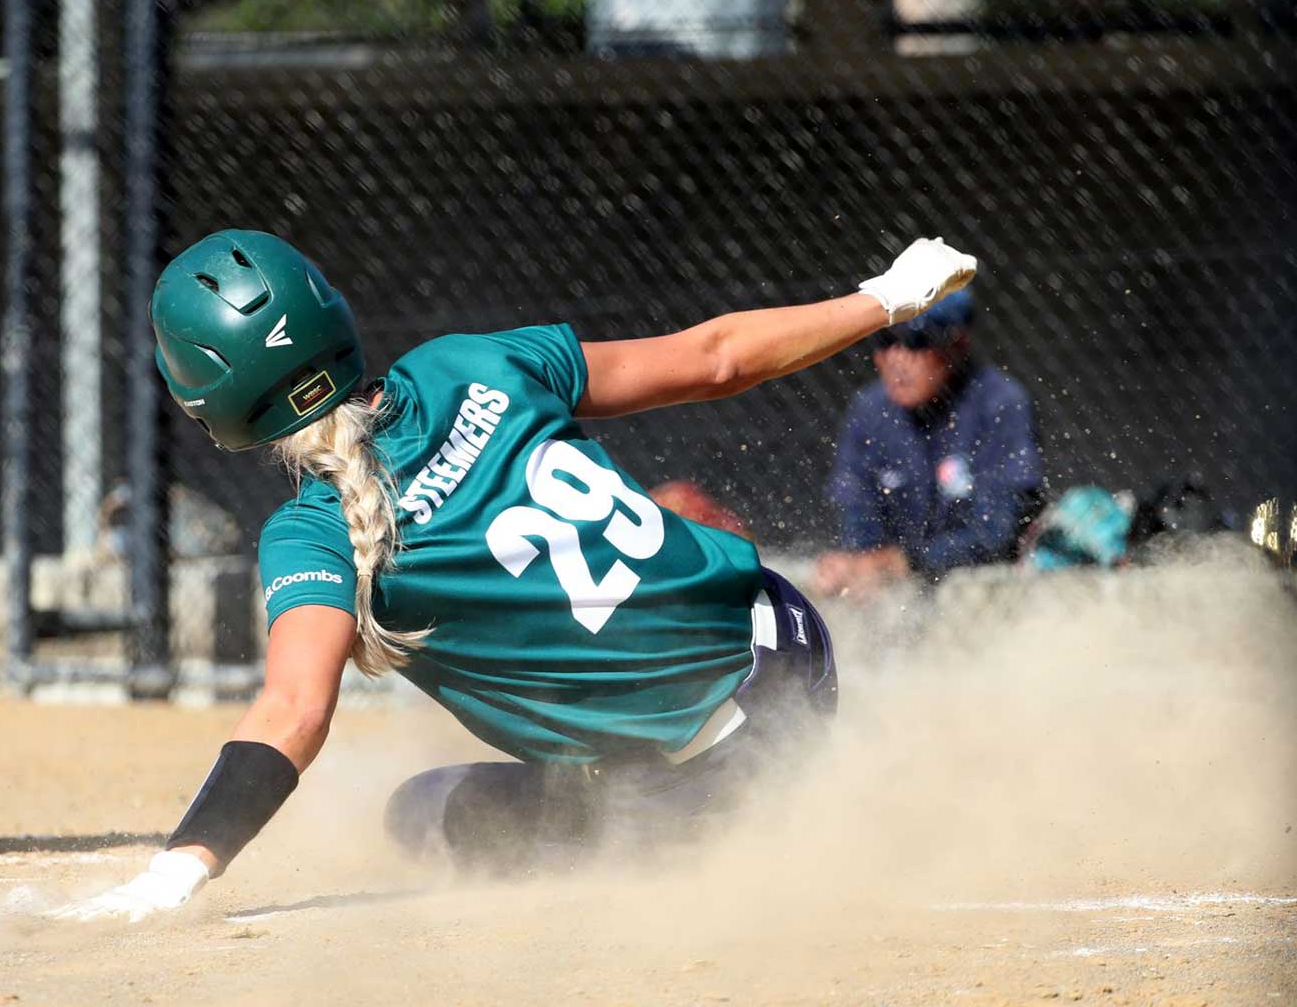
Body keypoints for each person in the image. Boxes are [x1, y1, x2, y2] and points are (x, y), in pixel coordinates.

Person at [59, 229, 977, 921]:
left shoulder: (312, 534)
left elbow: (294, 713)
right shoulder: (467, 360)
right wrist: (886, 296)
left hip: (696, 786)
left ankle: (755, 825)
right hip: (793, 652)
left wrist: (179, 865)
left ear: (209, 399)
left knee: (422, 813)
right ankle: (861, 785)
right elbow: (716, 359)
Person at [810, 292, 1043, 598]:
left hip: (984, 593)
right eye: (885, 340)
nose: (897, 358)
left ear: (957, 344)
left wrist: (906, 560)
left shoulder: (999, 404)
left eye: (916, 341)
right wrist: (857, 563)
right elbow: (856, 513)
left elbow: (998, 532)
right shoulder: (869, 410)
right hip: (893, 595)